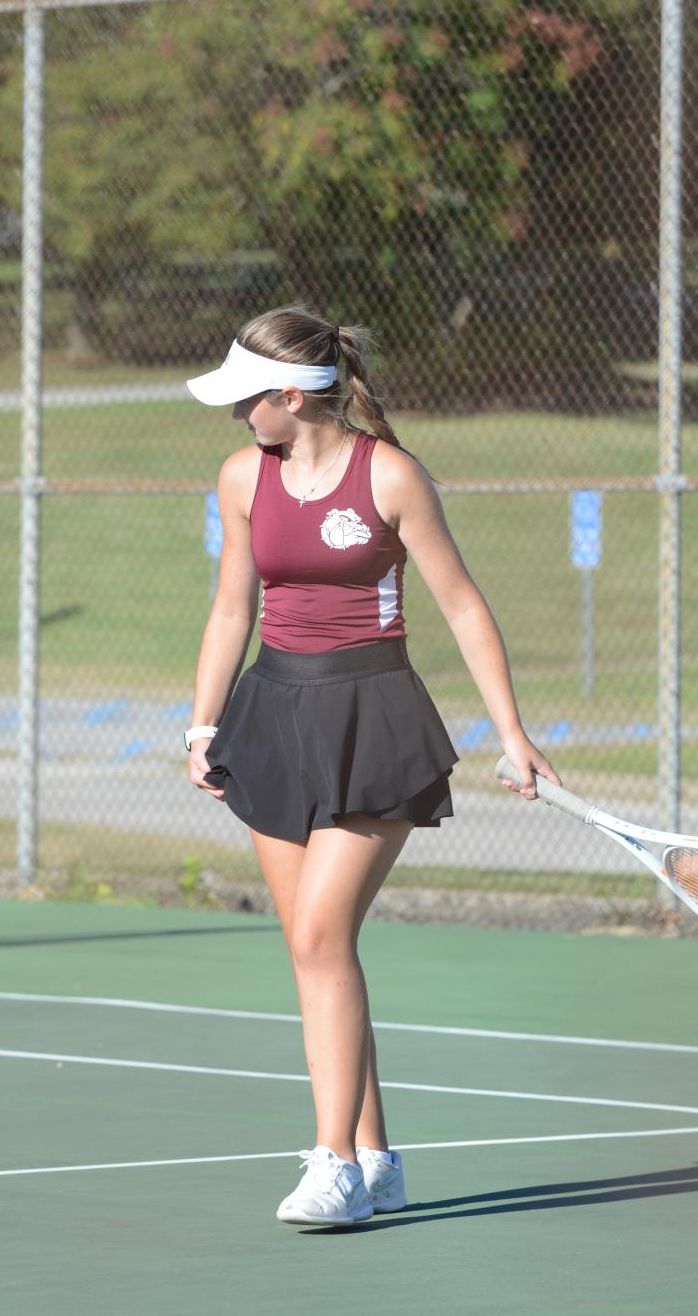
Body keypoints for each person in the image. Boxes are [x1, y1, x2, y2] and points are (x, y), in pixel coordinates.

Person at [182, 306, 558, 1227]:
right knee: (316, 950)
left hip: (373, 719)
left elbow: (462, 606)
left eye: (245, 402)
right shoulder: (241, 477)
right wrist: (201, 727)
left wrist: (512, 733)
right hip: (270, 716)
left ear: (290, 396)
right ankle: (377, 1160)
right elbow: (233, 606)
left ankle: (332, 1166)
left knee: (319, 939)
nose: (235, 418)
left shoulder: (389, 475)